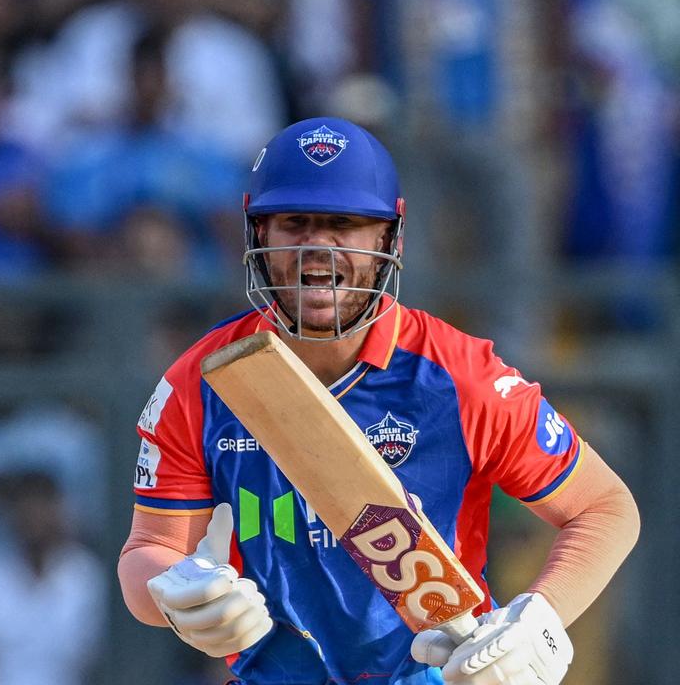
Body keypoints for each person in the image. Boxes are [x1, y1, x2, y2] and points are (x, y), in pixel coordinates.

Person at [117, 117, 639, 684]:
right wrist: (178, 594)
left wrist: (540, 618)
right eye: (294, 222)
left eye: (346, 223)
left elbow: (604, 508)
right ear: (258, 234)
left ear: (389, 237)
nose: (319, 245)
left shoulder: (459, 377)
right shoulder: (202, 380)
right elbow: (149, 549)